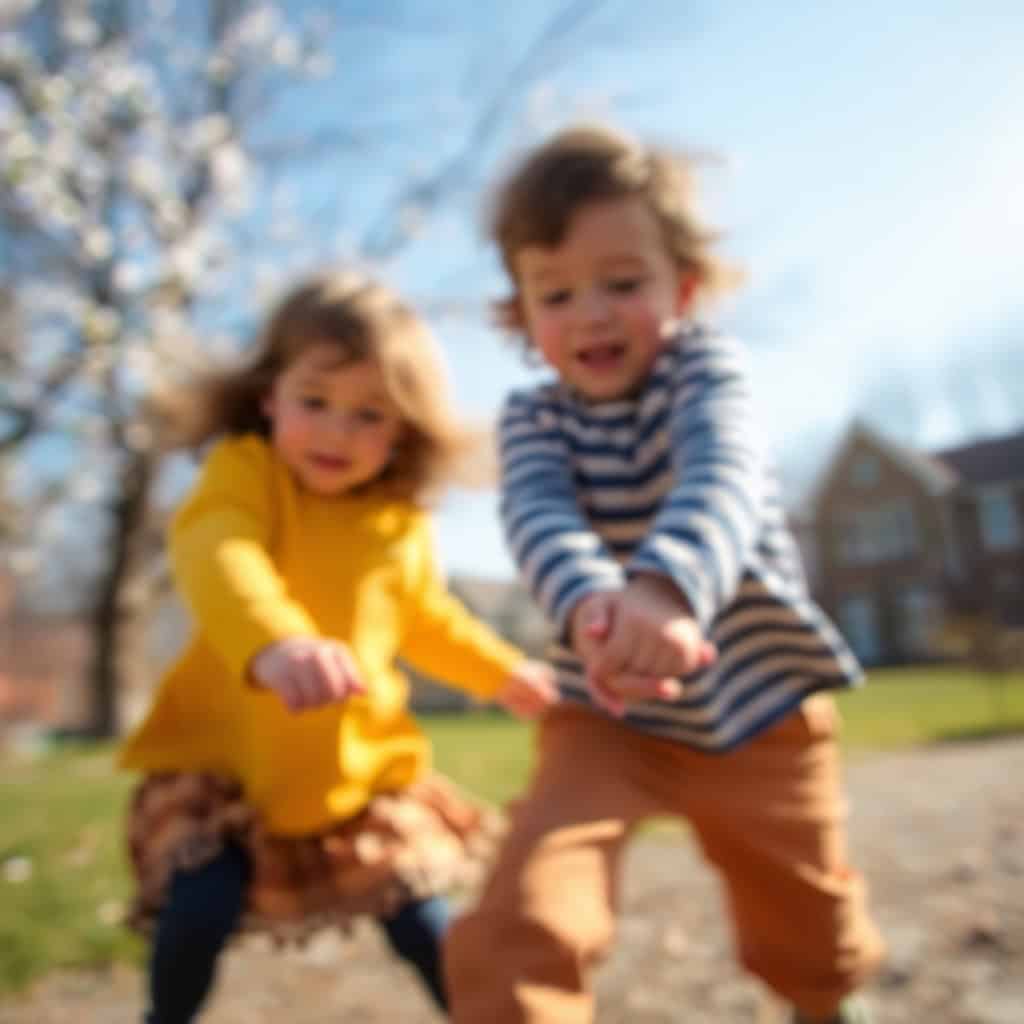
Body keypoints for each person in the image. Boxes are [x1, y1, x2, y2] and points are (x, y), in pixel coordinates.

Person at [443, 124, 885, 1024]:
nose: (592, 312)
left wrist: (666, 589)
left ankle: (824, 1004)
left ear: (681, 289)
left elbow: (721, 476)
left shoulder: (707, 374)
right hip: (607, 716)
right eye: (556, 292)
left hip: (758, 702)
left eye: (623, 282)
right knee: (525, 906)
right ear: (523, 317)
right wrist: (601, 608)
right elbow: (539, 518)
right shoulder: (532, 420)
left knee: (807, 921)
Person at [118, 271, 557, 1024]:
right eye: (314, 402)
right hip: (228, 768)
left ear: (403, 431)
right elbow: (218, 554)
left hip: (351, 774)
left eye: (368, 414)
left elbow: (427, 620)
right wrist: (278, 642)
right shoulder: (246, 474)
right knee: (201, 906)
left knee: (421, 917)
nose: (335, 432)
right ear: (269, 396)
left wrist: (504, 674)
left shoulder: (396, 520)